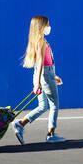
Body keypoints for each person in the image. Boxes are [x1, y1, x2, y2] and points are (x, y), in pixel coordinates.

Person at [12, 15, 66, 144]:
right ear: (41, 26)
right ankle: (51, 135)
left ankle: (20, 124)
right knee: (54, 105)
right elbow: (41, 62)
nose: (49, 27)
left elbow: (45, 63)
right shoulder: (41, 41)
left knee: (43, 106)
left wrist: (53, 76)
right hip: (44, 76)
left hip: (45, 75)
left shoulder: (38, 41)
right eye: (47, 25)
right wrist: (38, 83)